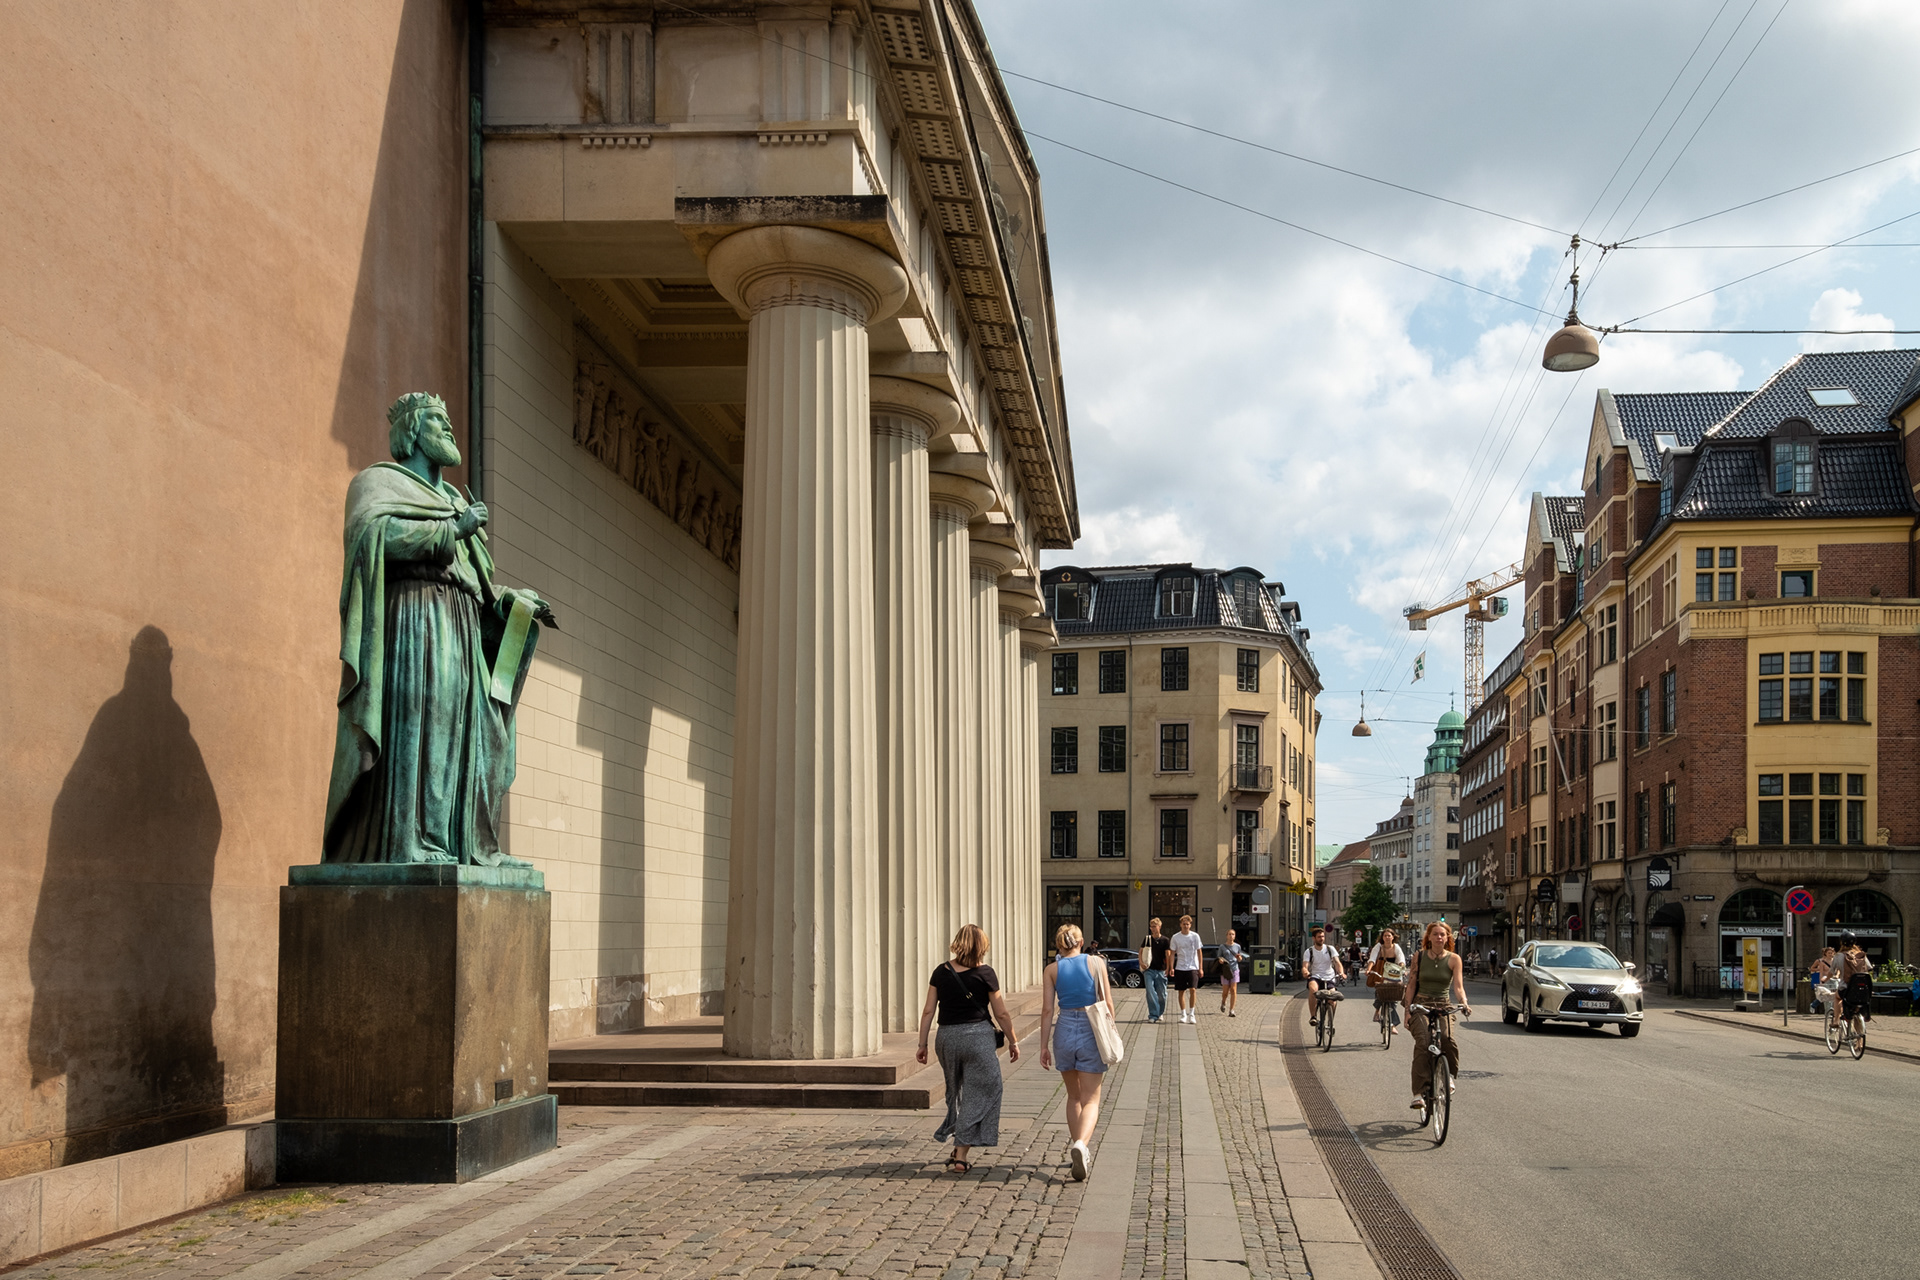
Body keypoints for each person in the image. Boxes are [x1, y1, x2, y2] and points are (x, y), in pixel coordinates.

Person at [916, 924, 1019, 1174]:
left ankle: (956, 1139)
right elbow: (1001, 1012)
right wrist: (1013, 1040)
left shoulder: (941, 972)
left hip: (946, 1038)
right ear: (982, 946)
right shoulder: (986, 973)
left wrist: (922, 1044)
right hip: (977, 1039)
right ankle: (961, 1153)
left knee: (956, 1090)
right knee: (988, 1087)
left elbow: (928, 1010)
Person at [1040, 923, 1115, 1181]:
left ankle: (1077, 1145)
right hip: (1091, 1028)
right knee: (1091, 1099)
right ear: (1081, 942)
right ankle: (1081, 1145)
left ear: (1059, 944)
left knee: (1073, 1097)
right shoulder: (1096, 963)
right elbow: (1107, 1002)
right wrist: (1112, 1032)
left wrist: (1043, 1046)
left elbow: (1047, 1011)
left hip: (1063, 1030)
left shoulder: (1051, 970)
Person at [1404, 921, 1470, 1118]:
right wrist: (1408, 1010)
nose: (1439, 937)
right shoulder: (1419, 956)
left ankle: (1448, 1075)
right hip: (1421, 1004)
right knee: (1423, 1042)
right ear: (1429, 937)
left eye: (1443, 934)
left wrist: (1464, 1003)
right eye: (1435, 934)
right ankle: (1418, 1094)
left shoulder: (1454, 959)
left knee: (1447, 1039)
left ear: (1448, 938)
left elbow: (1458, 987)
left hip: (1443, 1004)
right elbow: (1412, 983)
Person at [1303, 925, 1345, 1028]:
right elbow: (1305, 966)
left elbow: (1337, 962)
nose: (1321, 939)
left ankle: (1330, 1021)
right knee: (1313, 989)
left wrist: (1341, 973)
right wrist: (1305, 972)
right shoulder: (1309, 951)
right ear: (1314, 938)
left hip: (1329, 977)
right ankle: (1313, 1016)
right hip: (1315, 976)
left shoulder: (1330, 949)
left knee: (1332, 1000)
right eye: (1319, 937)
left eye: (1322, 936)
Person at [1366, 928, 1408, 1027]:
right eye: (1385, 936)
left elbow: (1401, 959)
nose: (1387, 937)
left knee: (1394, 998)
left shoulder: (1396, 947)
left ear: (1393, 937)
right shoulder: (1379, 947)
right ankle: (1377, 1011)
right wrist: (1368, 969)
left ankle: (1393, 1025)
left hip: (1393, 974)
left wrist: (1403, 969)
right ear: (1382, 937)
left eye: (1389, 935)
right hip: (1381, 974)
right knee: (1380, 993)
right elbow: (1372, 959)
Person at [1169, 915, 1205, 1023]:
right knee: (1181, 991)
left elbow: (1199, 952)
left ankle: (1192, 1013)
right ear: (1180, 925)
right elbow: (1172, 953)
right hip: (1180, 967)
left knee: (1193, 989)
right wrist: (1171, 967)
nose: (1186, 926)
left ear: (1190, 925)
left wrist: (1200, 968)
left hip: (1193, 967)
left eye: (1187, 924)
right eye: (1184, 924)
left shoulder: (1195, 936)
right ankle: (1183, 1013)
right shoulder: (1175, 937)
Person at [1836, 934, 1874, 1025]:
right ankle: (1859, 1038)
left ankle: (1835, 1021)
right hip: (1863, 989)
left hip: (1846, 988)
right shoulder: (1861, 955)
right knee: (1857, 1008)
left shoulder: (1839, 956)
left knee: (1836, 997)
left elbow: (1832, 971)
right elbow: (1869, 968)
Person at [1140, 918, 1173, 1023]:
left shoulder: (1165, 940)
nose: (1153, 928)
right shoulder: (1147, 939)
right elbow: (1140, 952)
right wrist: (1141, 963)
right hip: (1149, 969)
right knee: (1150, 991)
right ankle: (1153, 1015)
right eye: (1151, 926)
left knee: (1162, 994)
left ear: (1160, 927)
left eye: (1155, 926)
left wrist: (1168, 968)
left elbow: (1168, 955)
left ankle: (1160, 1013)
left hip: (1161, 970)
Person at [1219, 930, 1247, 1017]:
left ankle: (1231, 1010)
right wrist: (1220, 960)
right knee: (1225, 991)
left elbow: (1240, 958)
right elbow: (1219, 956)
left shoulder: (1237, 946)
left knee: (1233, 990)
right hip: (1226, 970)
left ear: (1234, 936)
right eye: (1229, 934)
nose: (1231, 936)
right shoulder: (1222, 946)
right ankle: (1223, 1002)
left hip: (1235, 969)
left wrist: (1239, 958)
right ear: (1226, 936)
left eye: (1233, 934)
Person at [1810, 945, 1837, 1015]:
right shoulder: (1822, 962)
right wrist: (1821, 982)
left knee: (1836, 995)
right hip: (1826, 979)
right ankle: (1828, 1011)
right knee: (1827, 996)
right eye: (1829, 953)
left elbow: (1838, 970)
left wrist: (1837, 976)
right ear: (1825, 954)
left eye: (1832, 953)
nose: (1830, 954)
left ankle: (1835, 1011)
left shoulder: (1835, 961)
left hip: (1834, 979)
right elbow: (1821, 973)